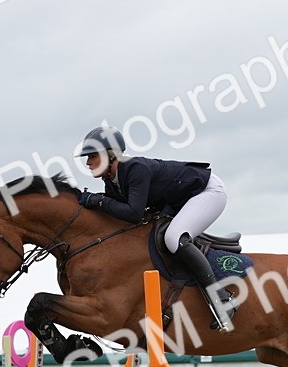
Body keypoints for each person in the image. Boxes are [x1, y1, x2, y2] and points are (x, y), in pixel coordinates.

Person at [74, 125, 238, 331]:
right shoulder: (112, 180)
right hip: (183, 199)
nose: (88, 163)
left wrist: (98, 201)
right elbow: (117, 211)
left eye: (92, 156)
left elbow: (134, 213)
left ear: (110, 155)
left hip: (208, 192)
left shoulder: (134, 169)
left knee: (174, 237)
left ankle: (222, 298)